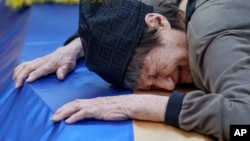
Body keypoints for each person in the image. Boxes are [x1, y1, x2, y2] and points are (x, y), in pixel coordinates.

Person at [12, 0, 250, 140]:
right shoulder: (170, 13)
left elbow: (244, 126)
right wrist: (73, 48)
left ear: (157, 22)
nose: (168, 86)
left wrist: (140, 105)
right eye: (152, 85)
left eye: (157, 71)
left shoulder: (213, 38)